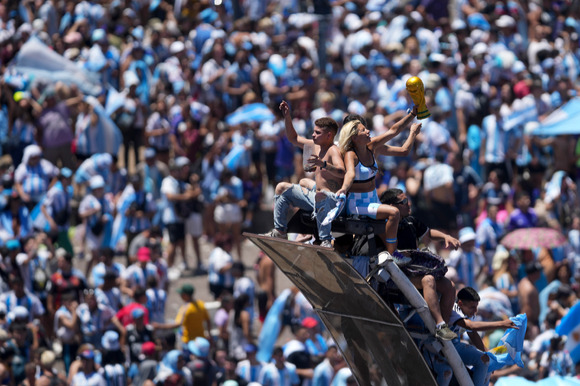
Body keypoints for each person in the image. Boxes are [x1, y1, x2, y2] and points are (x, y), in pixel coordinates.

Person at [336, 108, 419, 256]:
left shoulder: (372, 146)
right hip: (358, 203)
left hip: (373, 199)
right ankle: (394, 256)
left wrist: (412, 118)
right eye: (363, 129)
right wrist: (343, 189)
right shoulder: (349, 154)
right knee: (394, 212)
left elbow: (394, 133)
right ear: (353, 136)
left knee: (389, 230)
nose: (368, 131)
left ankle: (392, 253)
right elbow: (350, 174)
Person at [264, 100, 345, 248]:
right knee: (281, 187)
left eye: (317, 133)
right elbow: (293, 138)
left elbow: (341, 171)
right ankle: (280, 231)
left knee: (320, 195)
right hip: (317, 196)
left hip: (332, 201)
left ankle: (325, 239)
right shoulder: (314, 145)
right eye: (313, 131)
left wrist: (324, 164)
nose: (313, 135)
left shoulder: (333, 150)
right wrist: (287, 116)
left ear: (329, 135)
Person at [449, 287, 517, 386]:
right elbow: (471, 326)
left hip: (455, 346)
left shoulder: (468, 312)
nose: (475, 310)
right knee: (483, 361)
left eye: (476, 307)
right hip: (447, 346)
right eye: (472, 307)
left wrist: (487, 353)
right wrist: (501, 324)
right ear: (460, 304)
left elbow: (472, 334)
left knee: (488, 363)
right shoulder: (454, 310)